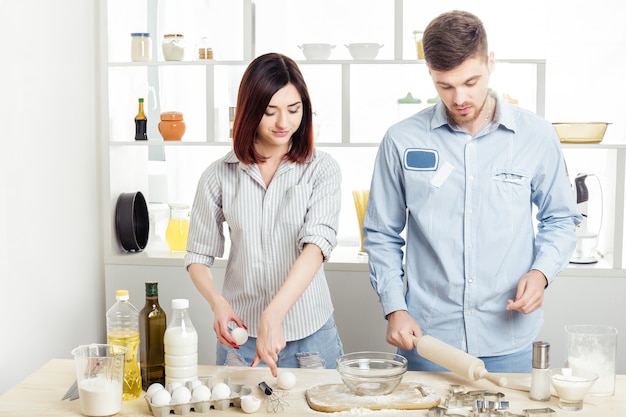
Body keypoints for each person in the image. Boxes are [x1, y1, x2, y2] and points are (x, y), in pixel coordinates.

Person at [363, 10, 581, 373]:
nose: (459, 97)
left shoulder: (536, 136)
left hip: (509, 340)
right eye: (444, 86)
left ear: (490, 63)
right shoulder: (401, 140)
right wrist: (395, 307)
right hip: (427, 342)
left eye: (470, 81)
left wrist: (541, 273)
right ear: (430, 75)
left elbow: (561, 218)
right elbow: (381, 233)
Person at [184, 52, 344, 377]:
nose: (283, 122)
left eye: (293, 109)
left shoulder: (321, 170)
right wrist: (217, 303)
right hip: (241, 339)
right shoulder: (219, 176)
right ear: (250, 110)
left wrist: (274, 314)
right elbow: (198, 255)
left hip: (310, 335)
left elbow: (316, 247)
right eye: (270, 111)